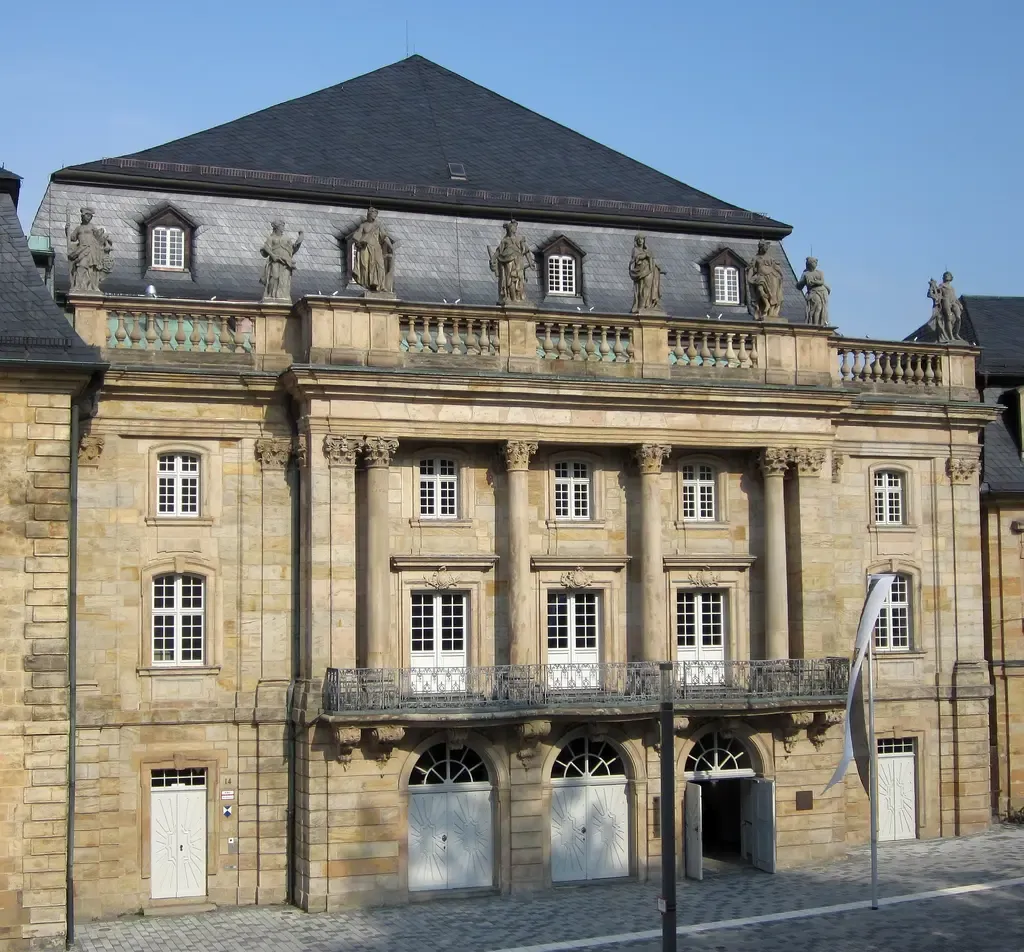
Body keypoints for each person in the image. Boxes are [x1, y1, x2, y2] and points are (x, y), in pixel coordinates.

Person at [66, 207, 113, 292]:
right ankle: (78, 285)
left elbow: (99, 236)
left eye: (90, 216)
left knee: (91, 268)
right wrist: (67, 230)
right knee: (81, 266)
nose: (88, 217)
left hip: (91, 249)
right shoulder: (78, 228)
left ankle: (92, 286)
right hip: (81, 249)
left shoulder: (92, 227)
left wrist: (106, 242)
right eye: (87, 215)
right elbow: (72, 238)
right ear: (83, 216)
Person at [350, 207, 394, 292]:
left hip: (376, 248)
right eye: (373, 214)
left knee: (380, 265)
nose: (374, 217)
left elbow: (384, 236)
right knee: (366, 266)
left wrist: (390, 246)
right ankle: (371, 284)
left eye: (375, 215)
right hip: (366, 248)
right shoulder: (363, 225)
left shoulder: (378, 225)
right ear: (369, 214)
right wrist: (358, 242)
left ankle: (381, 286)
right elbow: (356, 236)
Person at [489, 221, 533, 304]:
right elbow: (498, 251)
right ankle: (512, 298)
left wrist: (530, 262)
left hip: (518, 262)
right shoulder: (505, 240)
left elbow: (527, 251)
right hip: (508, 262)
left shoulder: (520, 239)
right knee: (510, 281)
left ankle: (518, 297)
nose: (513, 229)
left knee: (519, 280)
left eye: (514, 228)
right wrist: (493, 259)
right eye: (512, 228)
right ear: (509, 229)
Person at [260, 221, 303, 301]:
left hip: (285, 263)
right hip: (275, 262)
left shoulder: (286, 239)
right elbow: (266, 248)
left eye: (283, 226)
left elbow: (292, 250)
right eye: (282, 226)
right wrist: (273, 255)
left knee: (284, 280)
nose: (283, 228)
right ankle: (271, 295)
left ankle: (282, 296)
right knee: (274, 277)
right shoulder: (271, 238)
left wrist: (299, 241)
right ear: (277, 227)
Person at [746, 239, 784, 321]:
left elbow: (776, 267)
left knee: (773, 294)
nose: (766, 249)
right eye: (764, 247)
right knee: (760, 289)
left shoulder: (770, 258)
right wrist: (749, 278)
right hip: (761, 276)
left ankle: (771, 311)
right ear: (761, 247)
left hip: (772, 276)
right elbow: (752, 269)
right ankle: (766, 304)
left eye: (767, 247)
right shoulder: (756, 258)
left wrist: (781, 274)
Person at [628, 234, 664, 313]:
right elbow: (635, 258)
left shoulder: (647, 250)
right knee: (642, 289)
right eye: (639, 239)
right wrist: (645, 255)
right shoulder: (635, 249)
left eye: (642, 239)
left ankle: (647, 305)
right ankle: (641, 305)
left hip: (649, 271)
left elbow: (651, 260)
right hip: (641, 272)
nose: (641, 240)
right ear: (636, 241)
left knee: (648, 288)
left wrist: (657, 267)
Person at [927, 272, 963, 342]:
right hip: (946, 301)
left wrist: (959, 303)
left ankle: (956, 333)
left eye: (948, 275)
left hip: (953, 302)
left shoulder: (952, 288)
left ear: (951, 278)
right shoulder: (941, 286)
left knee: (958, 318)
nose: (947, 276)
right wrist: (932, 285)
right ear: (943, 278)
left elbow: (954, 296)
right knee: (948, 318)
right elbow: (933, 293)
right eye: (945, 275)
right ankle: (950, 336)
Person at [795, 256, 830, 326]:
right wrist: (803, 281)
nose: (815, 264)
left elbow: (822, 282)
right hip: (814, 293)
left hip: (822, 292)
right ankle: (815, 324)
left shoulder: (820, 272)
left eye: (815, 263)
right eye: (813, 262)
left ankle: (819, 324)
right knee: (816, 308)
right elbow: (798, 286)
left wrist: (814, 282)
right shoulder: (805, 274)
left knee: (821, 309)